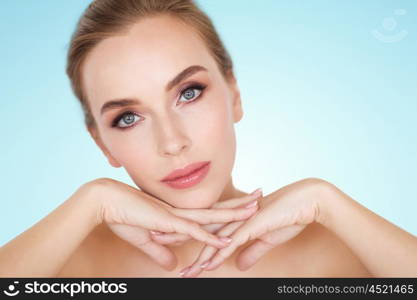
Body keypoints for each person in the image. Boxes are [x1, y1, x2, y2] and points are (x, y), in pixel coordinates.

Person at [1, 0, 416, 278]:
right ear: (102, 144)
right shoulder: (66, 266)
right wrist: (91, 201)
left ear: (234, 95)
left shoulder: (340, 252)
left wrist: (329, 202)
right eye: (128, 118)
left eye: (189, 93)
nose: (173, 142)